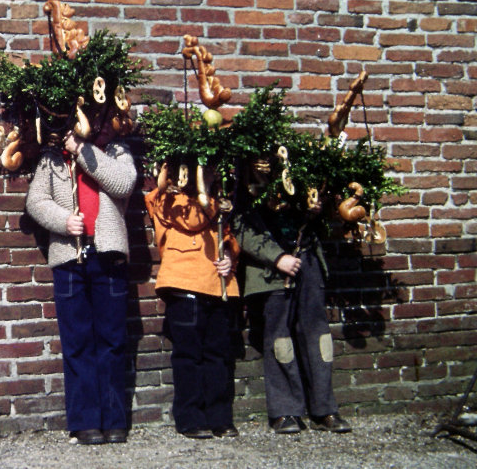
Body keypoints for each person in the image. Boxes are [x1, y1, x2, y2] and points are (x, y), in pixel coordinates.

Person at [25, 118, 137, 445]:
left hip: (108, 255)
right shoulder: (51, 158)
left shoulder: (117, 151)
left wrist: (83, 150)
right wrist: (63, 220)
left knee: (112, 339)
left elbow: (123, 183)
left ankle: (114, 420)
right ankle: (86, 421)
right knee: (78, 342)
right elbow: (35, 201)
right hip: (69, 257)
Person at [231, 198, 352, 434]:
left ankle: (324, 409)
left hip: (307, 261)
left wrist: (317, 210)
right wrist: (276, 257)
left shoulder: (302, 173)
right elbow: (240, 226)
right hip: (271, 270)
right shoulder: (244, 177)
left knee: (319, 338)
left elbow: (323, 221)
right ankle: (285, 411)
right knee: (280, 339)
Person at [144, 178, 240, 440]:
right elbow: (193, 219)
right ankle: (190, 418)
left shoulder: (216, 196)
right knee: (188, 355)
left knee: (217, 355)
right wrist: (213, 202)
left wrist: (230, 254)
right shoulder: (166, 197)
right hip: (185, 285)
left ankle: (219, 417)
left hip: (216, 284)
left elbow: (227, 232)